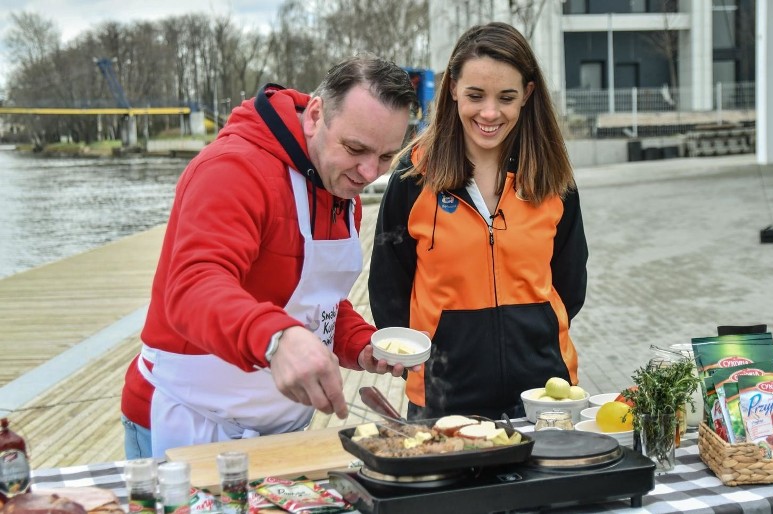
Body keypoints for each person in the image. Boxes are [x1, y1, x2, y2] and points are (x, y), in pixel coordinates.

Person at [121, 54, 419, 458]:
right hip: (189, 422)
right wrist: (278, 339)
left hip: (281, 432)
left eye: (386, 157)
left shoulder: (339, 181)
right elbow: (192, 287)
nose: (369, 173)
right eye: (356, 148)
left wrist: (359, 343)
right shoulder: (232, 168)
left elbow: (314, 300)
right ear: (315, 115)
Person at [368, 22, 588, 421]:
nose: (490, 112)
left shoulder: (554, 179)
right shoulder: (413, 177)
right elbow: (388, 287)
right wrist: (429, 364)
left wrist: (532, 340)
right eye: (475, 95)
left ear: (527, 95)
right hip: (442, 400)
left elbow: (570, 286)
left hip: (545, 396)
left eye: (506, 97)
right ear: (452, 89)